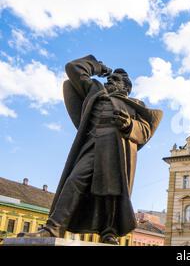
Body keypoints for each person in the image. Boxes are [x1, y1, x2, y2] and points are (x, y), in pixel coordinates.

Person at [18, 55, 163, 244]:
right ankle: (53, 228)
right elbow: (72, 68)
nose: (110, 81)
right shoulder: (95, 92)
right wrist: (99, 67)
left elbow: (145, 130)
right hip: (92, 144)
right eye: (110, 79)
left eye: (116, 80)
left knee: (112, 190)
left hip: (115, 147)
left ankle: (109, 232)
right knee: (74, 181)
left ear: (125, 88)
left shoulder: (135, 105)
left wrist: (128, 124)